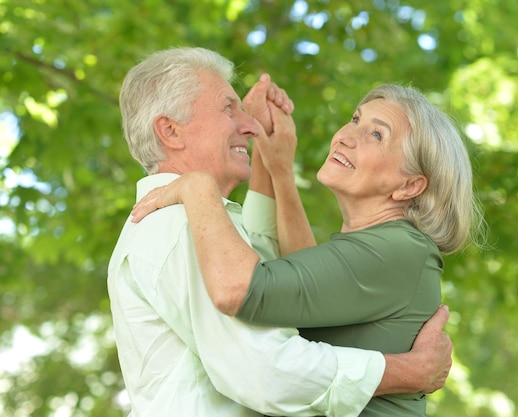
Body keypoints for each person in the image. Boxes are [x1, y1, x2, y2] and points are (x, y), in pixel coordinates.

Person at [108, 46, 453, 417]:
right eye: (229, 108)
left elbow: (272, 268)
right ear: (171, 131)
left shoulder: (196, 219)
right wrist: (406, 371)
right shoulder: (182, 222)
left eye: (377, 135)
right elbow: (265, 369)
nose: (248, 125)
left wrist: (271, 164)